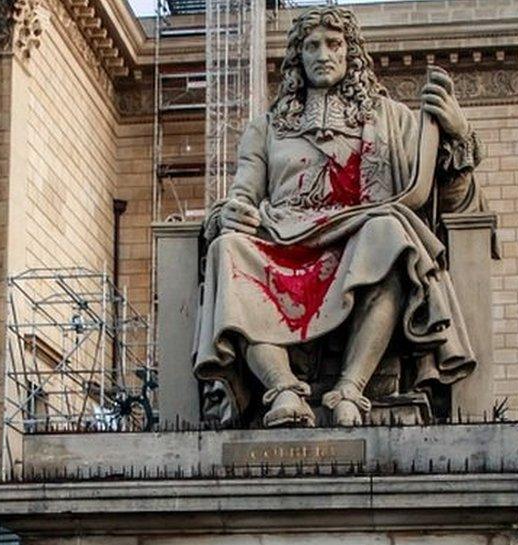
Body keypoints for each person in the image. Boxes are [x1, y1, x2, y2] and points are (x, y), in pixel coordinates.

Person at [194, 6, 482, 428]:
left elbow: (451, 202)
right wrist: (229, 215)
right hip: (283, 239)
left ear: (351, 53)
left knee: (389, 231)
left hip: (360, 237)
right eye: (312, 46)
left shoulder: (392, 120)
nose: (323, 54)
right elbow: (243, 195)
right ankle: (284, 390)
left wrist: (458, 135)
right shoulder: (267, 128)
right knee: (228, 249)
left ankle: (350, 388)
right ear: (298, 58)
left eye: (334, 44)